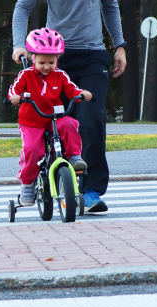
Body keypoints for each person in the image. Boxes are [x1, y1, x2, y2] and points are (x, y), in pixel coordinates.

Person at [12, 0, 127, 213]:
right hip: (54, 56)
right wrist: (19, 44)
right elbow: (23, 6)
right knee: (51, 120)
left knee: (91, 119)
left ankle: (90, 190)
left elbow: (110, 5)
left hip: (92, 56)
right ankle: (54, 181)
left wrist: (119, 45)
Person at [9, 28, 93, 207]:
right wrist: (15, 97)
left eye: (51, 62)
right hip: (31, 121)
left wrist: (80, 94)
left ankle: (74, 157)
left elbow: (71, 89)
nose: (47, 66)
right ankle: (27, 184)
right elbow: (14, 89)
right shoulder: (25, 75)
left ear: (57, 60)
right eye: (42, 62)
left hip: (53, 117)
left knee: (70, 123)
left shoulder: (60, 75)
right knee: (33, 150)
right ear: (33, 59)